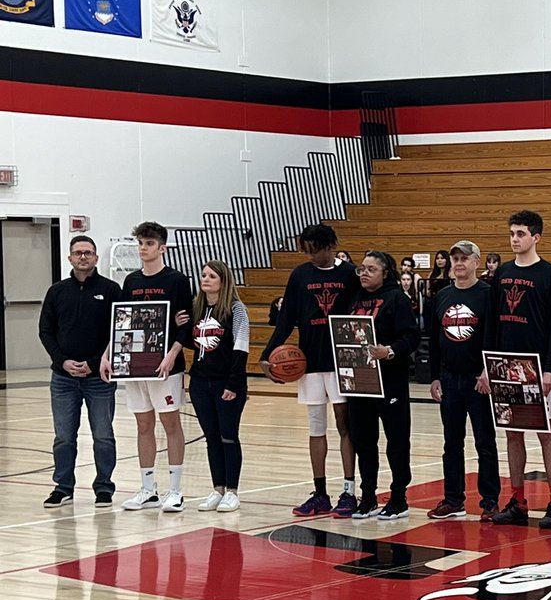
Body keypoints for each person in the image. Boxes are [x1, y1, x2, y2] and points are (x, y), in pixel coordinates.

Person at [260, 223, 360, 517]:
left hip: (342, 362)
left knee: (345, 427)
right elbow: (286, 319)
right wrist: (267, 353)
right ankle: (320, 493)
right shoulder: (299, 275)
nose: (311, 256)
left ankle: (349, 491)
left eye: (315, 250)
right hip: (310, 363)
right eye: (307, 251)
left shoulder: (349, 275)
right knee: (316, 429)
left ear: (330, 246)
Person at [100, 221, 193, 512]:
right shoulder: (131, 281)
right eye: (141, 243)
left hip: (166, 366)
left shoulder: (177, 280)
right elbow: (124, 322)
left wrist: (172, 354)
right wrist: (108, 354)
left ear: (162, 247)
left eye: (149, 243)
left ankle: (175, 490)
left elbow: (185, 324)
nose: (143, 248)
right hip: (136, 364)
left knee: (171, 423)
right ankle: (148, 489)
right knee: (143, 425)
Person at [484, 209, 551, 529]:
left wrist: (550, 369)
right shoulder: (502, 273)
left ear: (536, 237)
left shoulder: (549, 274)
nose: (515, 239)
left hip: (534, 367)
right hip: (505, 365)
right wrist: (486, 366)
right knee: (512, 434)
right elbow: (492, 321)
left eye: (521, 234)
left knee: (545, 432)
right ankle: (518, 500)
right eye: (512, 233)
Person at [38, 234, 122, 508]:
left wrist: (96, 362)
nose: (83, 257)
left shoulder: (111, 290)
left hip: (99, 378)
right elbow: (46, 331)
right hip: (63, 379)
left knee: (103, 435)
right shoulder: (57, 291)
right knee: (63, 436)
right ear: (70, 258)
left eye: (88, 252)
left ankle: (104, 488)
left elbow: (118, 331)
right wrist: (62, 361)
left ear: (96, 258)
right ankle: (63, 488)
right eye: (78, 253)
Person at [427, 240, 501, 520]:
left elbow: (494, 334)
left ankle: (490, 501)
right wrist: (434, 377)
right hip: (449, 379)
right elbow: (434, 340)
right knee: (451, 442)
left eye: (464, 259)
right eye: (455, 258)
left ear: (476, 262)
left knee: (485, 442)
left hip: (478, 380)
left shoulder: (487, 295)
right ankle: (453, 498)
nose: (459, 263)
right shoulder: (442, 296)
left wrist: (487, 369)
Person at [344, 251, 421, 520]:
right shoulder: (354, 298)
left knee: (397, 441)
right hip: (359, 380)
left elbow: (412, 336)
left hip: (390, 381)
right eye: (362, 269)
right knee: (363, 441)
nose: (364, 273)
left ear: (385, 272)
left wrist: (389, 351)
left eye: (371, 269)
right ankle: (368, 496)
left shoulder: (396, 298)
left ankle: (399, 497)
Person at [189, 260, 250, 513]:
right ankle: (218, 489)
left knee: (228, 436)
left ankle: (233, 492)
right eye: (203, 275)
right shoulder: (197, 309)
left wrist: (234, 383)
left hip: (227, 382)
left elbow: (241, 347)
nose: (205, 279)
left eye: (211, 276)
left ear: (223, 281)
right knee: (211, 438)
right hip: (200, 382)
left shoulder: (236, 310)